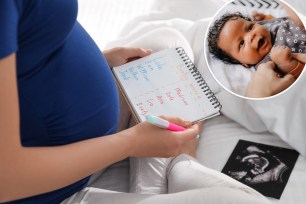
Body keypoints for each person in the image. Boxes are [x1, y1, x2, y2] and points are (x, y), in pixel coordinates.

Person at [0, 0, 286, 203]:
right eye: (240, 43)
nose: (253, 38)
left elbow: (30, 47)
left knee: (167, 43)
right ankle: (180, 164)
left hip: (81, 130)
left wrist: (100, 61)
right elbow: (7, 178)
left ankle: (161, 168)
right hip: (51, 188)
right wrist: (132, 143)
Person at [207, 8, 306, 80]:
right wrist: (285, 63)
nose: (251, 36)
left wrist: (266, 17)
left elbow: (277, 22)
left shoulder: (263, 26)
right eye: (241, 43)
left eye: (250, 27)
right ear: (243, 63)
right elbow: (298, 76)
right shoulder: (267, 65)